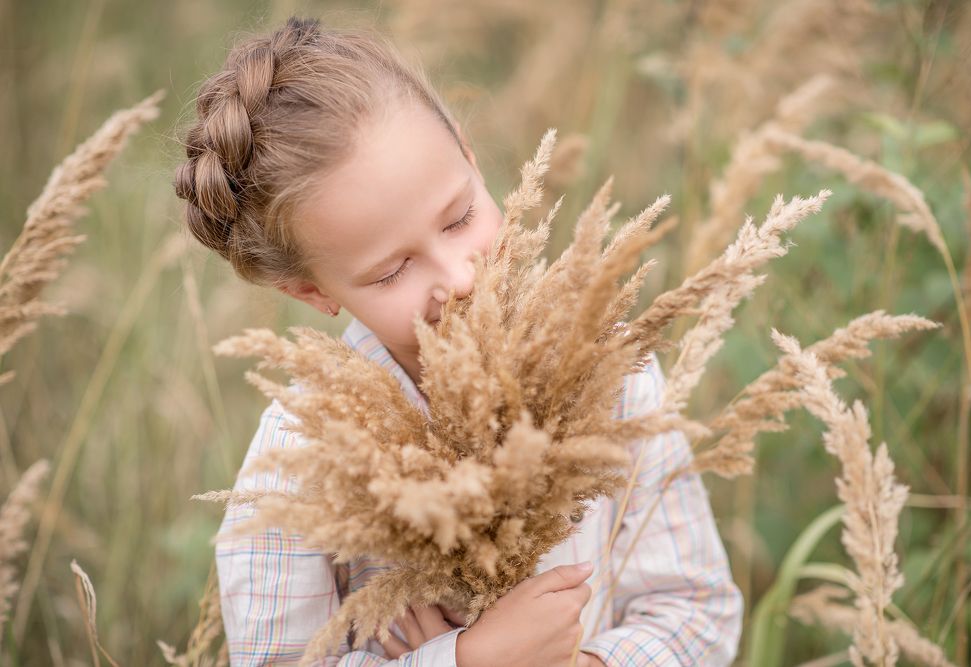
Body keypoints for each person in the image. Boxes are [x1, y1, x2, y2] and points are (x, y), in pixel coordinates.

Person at [174, 16, 743, 666]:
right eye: (392, 271)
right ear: (313, 292)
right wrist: (466, 659)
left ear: (471, 158)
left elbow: (699, 609)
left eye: (461, 217)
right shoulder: (301, 456)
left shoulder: (609, 370)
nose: (460, 278)